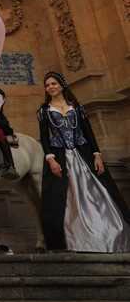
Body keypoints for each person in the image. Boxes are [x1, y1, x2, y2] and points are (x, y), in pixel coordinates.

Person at [38, 72, 130, 252]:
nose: (50, 87)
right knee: (63, 198)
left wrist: (97, 154)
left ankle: (108, 235)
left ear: (62, 85)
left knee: (100, 194)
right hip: (60, 157)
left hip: (84, 155)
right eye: (47, 85)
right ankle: (74, 240)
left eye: (53, 83)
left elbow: (88, 132)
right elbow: (44, 137)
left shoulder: (77, 108)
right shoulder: (44, 111)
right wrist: (51, 160)